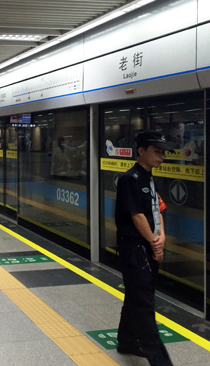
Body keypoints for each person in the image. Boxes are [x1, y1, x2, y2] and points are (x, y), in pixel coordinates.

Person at [115, 131, 174, 366]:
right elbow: (137, 215)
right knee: (145, 305)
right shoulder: (129, 179)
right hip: (135, 250)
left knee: (137, 296)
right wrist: (153, 242)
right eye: (157, 151)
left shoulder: (151, 178)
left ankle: (127, 340)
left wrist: (162, 236)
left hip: (148, 246)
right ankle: (161, 362)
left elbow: (157, 209)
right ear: (141, 151)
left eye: (163, 152)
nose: (162, 156)